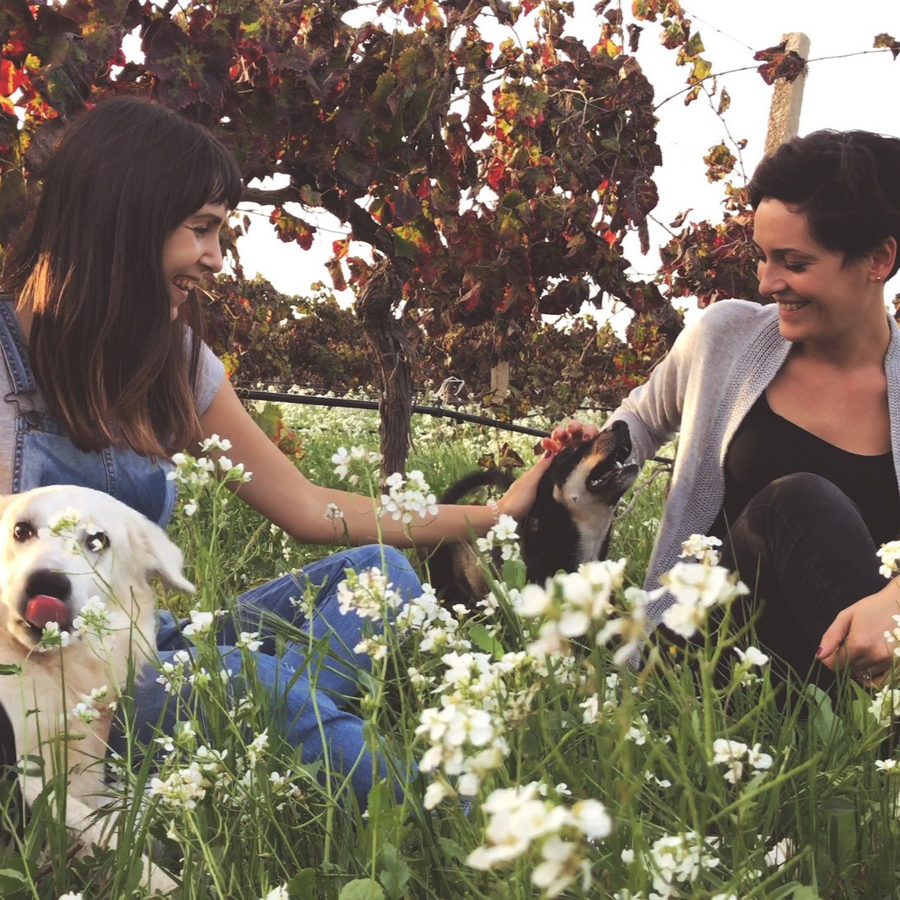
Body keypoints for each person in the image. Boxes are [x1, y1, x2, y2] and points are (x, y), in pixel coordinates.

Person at [0, 95, 556, 807]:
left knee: (381, 575)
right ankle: (454, 818)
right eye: (201, 230)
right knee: (260, 684)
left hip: (154, 646)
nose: (216, 258)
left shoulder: (174, 364)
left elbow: (309, 509)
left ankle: (267, 738)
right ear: (123, 219)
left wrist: (497, 514)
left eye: (221, 234)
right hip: (53, 685)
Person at [548, 129, 900, 692]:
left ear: (878, 259)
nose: (767, 282)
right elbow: (640, 419)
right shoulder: (726, 337)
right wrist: (601, 449)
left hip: (845, 675)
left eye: (794, 262)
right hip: (704, 660)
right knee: (797, 502)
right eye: (763, 257)